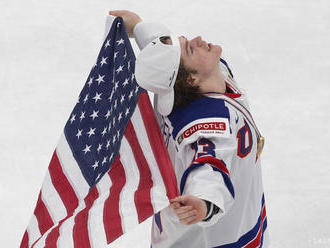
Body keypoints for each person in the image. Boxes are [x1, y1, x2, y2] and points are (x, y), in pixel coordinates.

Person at [109, 10, 269, 248]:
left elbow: (165, 54)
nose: (198, 40)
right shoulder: (206, 125)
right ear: (191, 79)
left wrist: (141, 28)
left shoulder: (184, 81)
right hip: (216, 240)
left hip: (210, 228)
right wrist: (204, 202)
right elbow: (208, 167)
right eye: (191, 49)